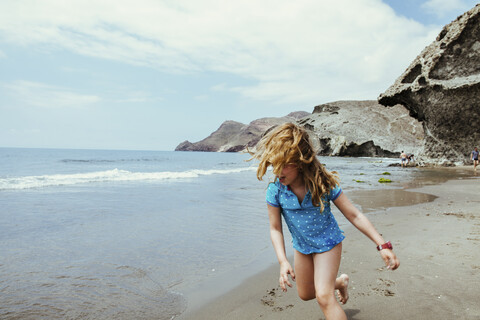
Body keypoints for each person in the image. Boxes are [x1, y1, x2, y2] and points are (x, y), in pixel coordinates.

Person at [250, 123, 399, 320]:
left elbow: (354, 215)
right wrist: (283, 261)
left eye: (284, 164)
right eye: (274, 164)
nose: (278, 171)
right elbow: (275, 228)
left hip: (328, 244)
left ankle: (329, 288)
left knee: (323, 297)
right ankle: (339, 282)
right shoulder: (275, 191)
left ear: (301, 160)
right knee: (306, 294)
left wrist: (383, 245)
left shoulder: (322, 183)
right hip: (303, 246)